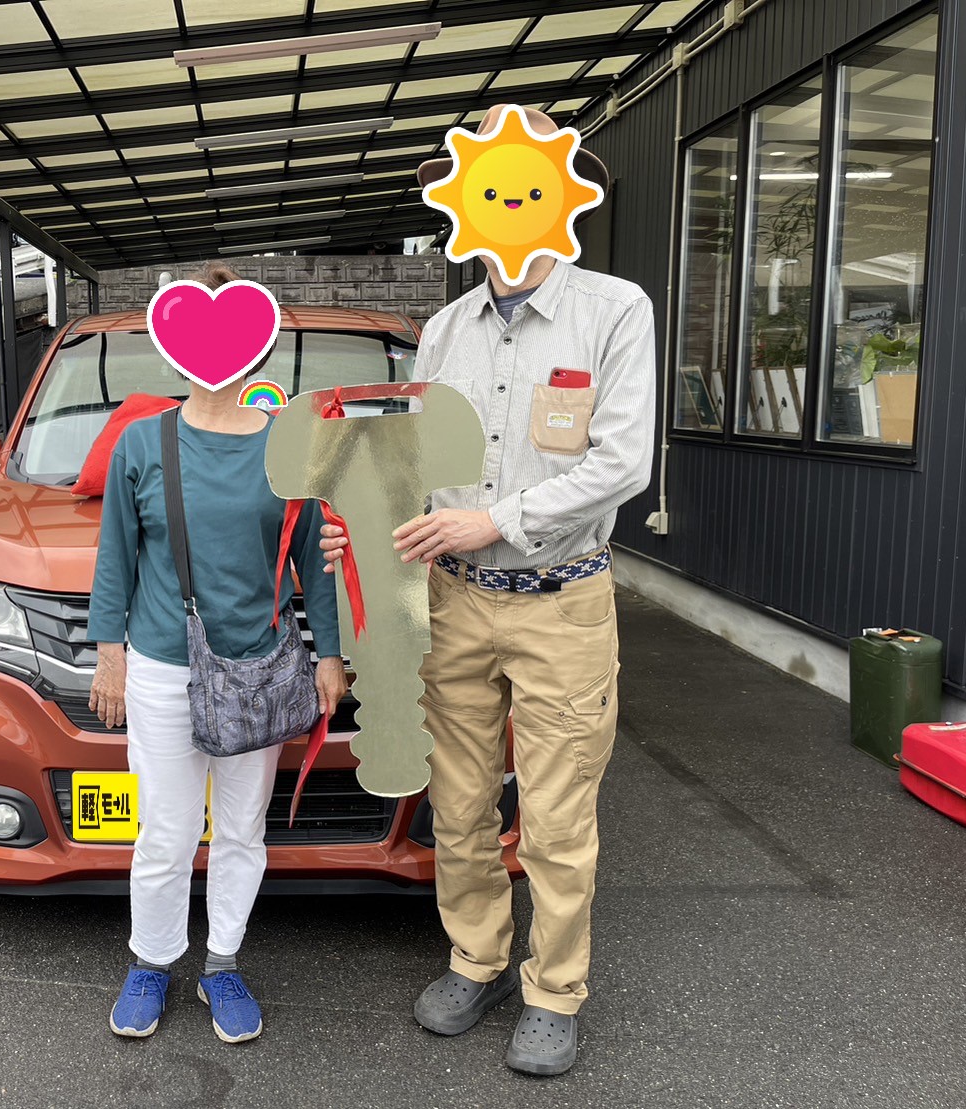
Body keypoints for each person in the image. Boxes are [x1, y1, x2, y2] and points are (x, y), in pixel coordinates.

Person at [322, 105, 655, 1075]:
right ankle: (477, 958)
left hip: (562, 600)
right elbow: (418, 465)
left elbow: (621, 463)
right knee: (460, 801)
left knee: (555, 815)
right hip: (454, 602)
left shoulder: (614, 311)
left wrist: (495, 519)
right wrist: (368, 528)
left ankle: (554, 990)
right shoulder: (444, 331)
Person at [87, 262, 347, 1044]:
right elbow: (115, 556)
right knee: (165, 832)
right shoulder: (143, 443)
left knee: (240, 830)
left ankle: (222, 962)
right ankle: (152, 960)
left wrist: (328, 654)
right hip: (163, 667)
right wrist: (109, 654)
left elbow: (315, 560)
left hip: (260, 668)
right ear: (174, 349)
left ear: (255, 347)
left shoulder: (287, 449)